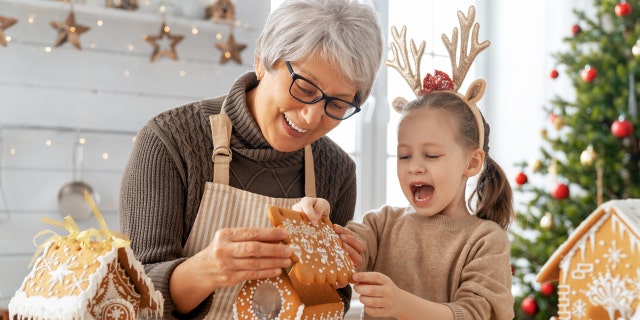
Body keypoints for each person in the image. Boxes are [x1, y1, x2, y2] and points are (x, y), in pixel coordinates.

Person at [118, 0, 384, 318]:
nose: (313, 117)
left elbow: (334, 302)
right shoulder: (171, 141)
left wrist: (329, 268)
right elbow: (134, 297)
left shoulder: (337, 170)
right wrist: (207, 270)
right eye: (304, 87)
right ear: (262, 61)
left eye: (338, 104)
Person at [296, 84, 516, 319]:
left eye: (431, 155)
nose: (414, 168)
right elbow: (339, 257)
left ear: (472, 163)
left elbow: (476, 314)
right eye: (404, 156)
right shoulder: (382, 223)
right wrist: (318, 225)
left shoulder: (485, 240)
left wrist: (401, 305)